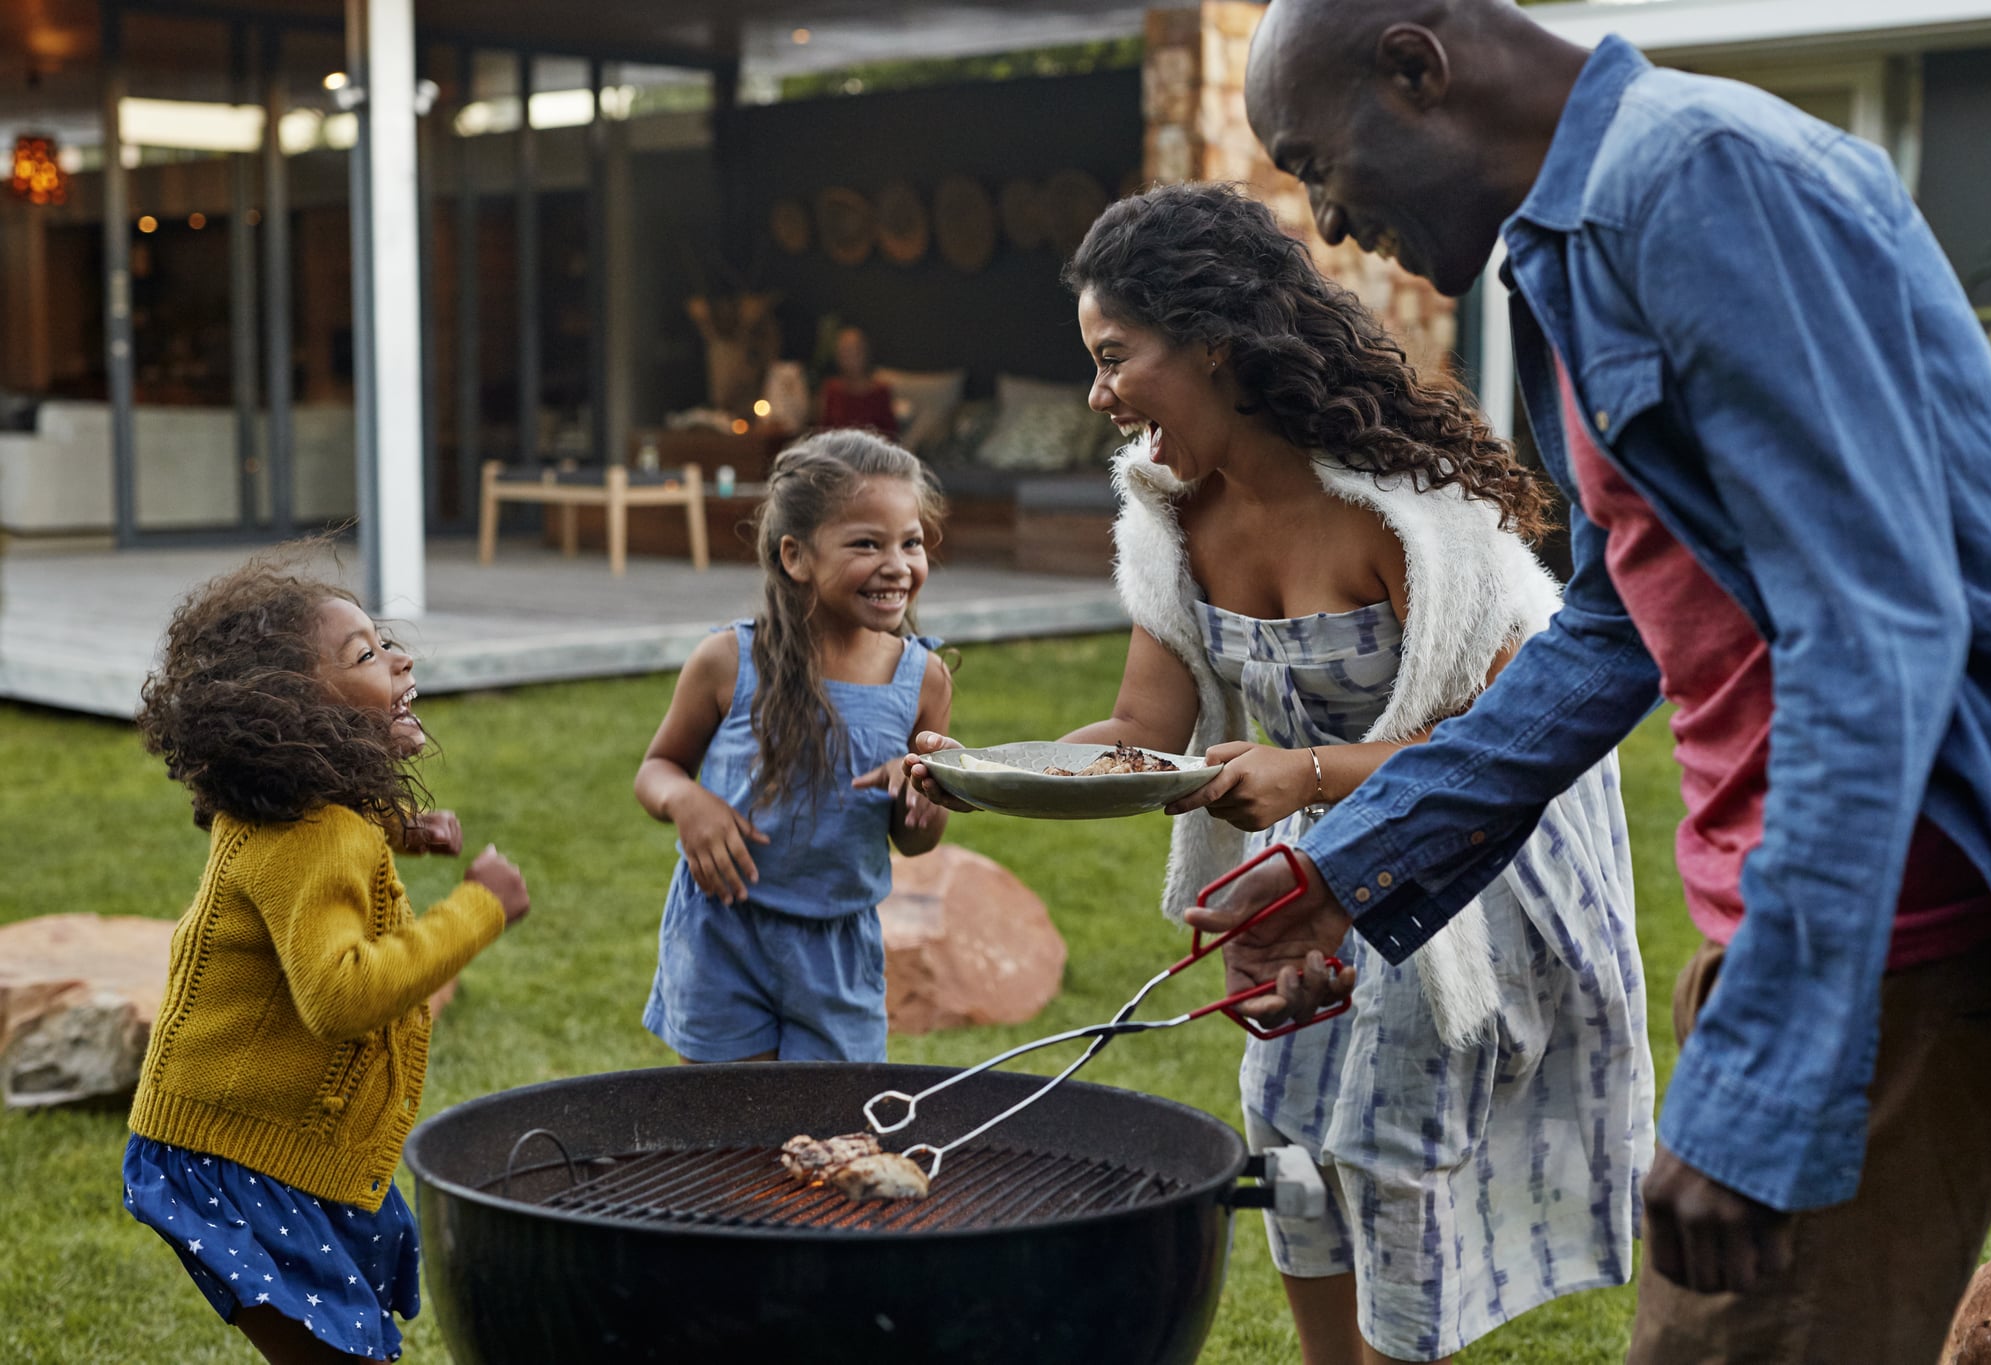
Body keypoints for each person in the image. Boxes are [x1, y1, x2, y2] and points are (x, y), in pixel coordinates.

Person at [1219, 2, 1991, 1361]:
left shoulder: (1698, 182)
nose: (1328, 225)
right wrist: (1344, 869)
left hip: (1898, 924)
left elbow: (1874, 631)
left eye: (1318, 165)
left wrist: (1765, 1081)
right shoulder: (1563, 253)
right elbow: (1617, 625)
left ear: (1416, 69)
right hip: (1777, 913)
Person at [907, 183, 1654, 1364]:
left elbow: (1509, 751)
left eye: (1115, 359)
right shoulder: (1164, 513)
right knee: (1288, 1121)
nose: (1100, 397)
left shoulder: (1416, 518)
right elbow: (1140, 730)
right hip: (1309, 833)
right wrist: (970, 772)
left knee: (1391, 1138)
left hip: (1474, 859)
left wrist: (1305, 775)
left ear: (1210, 340)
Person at [122, 555, 531, 1364]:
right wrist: (479, 908)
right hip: (237, 1160)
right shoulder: (319, 836)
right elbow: (340, 992)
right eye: (367, 655)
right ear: (296, 714)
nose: (402, 658)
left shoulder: (289, 810)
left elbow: (294, 859)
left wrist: (395, 826)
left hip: (259, 1146)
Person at [636, 430, 951, 1064]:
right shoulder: (728, 660)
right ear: (796, 556)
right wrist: (686, 803)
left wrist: (922, 794)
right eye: (868, 543)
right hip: (723, 933)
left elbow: (916, 838)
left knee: (829, 1140)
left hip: (838, 949)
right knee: (728, 1132)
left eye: (910, 542)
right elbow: (657, 768)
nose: (897, 564)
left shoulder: (923, 678)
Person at [813, 326, 900, 439]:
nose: (849, 358)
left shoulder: (880, 392)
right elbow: (822, 432)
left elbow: (891, 437)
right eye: (843, 352)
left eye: (854, 351)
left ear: (865, 353)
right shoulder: (831, 389)